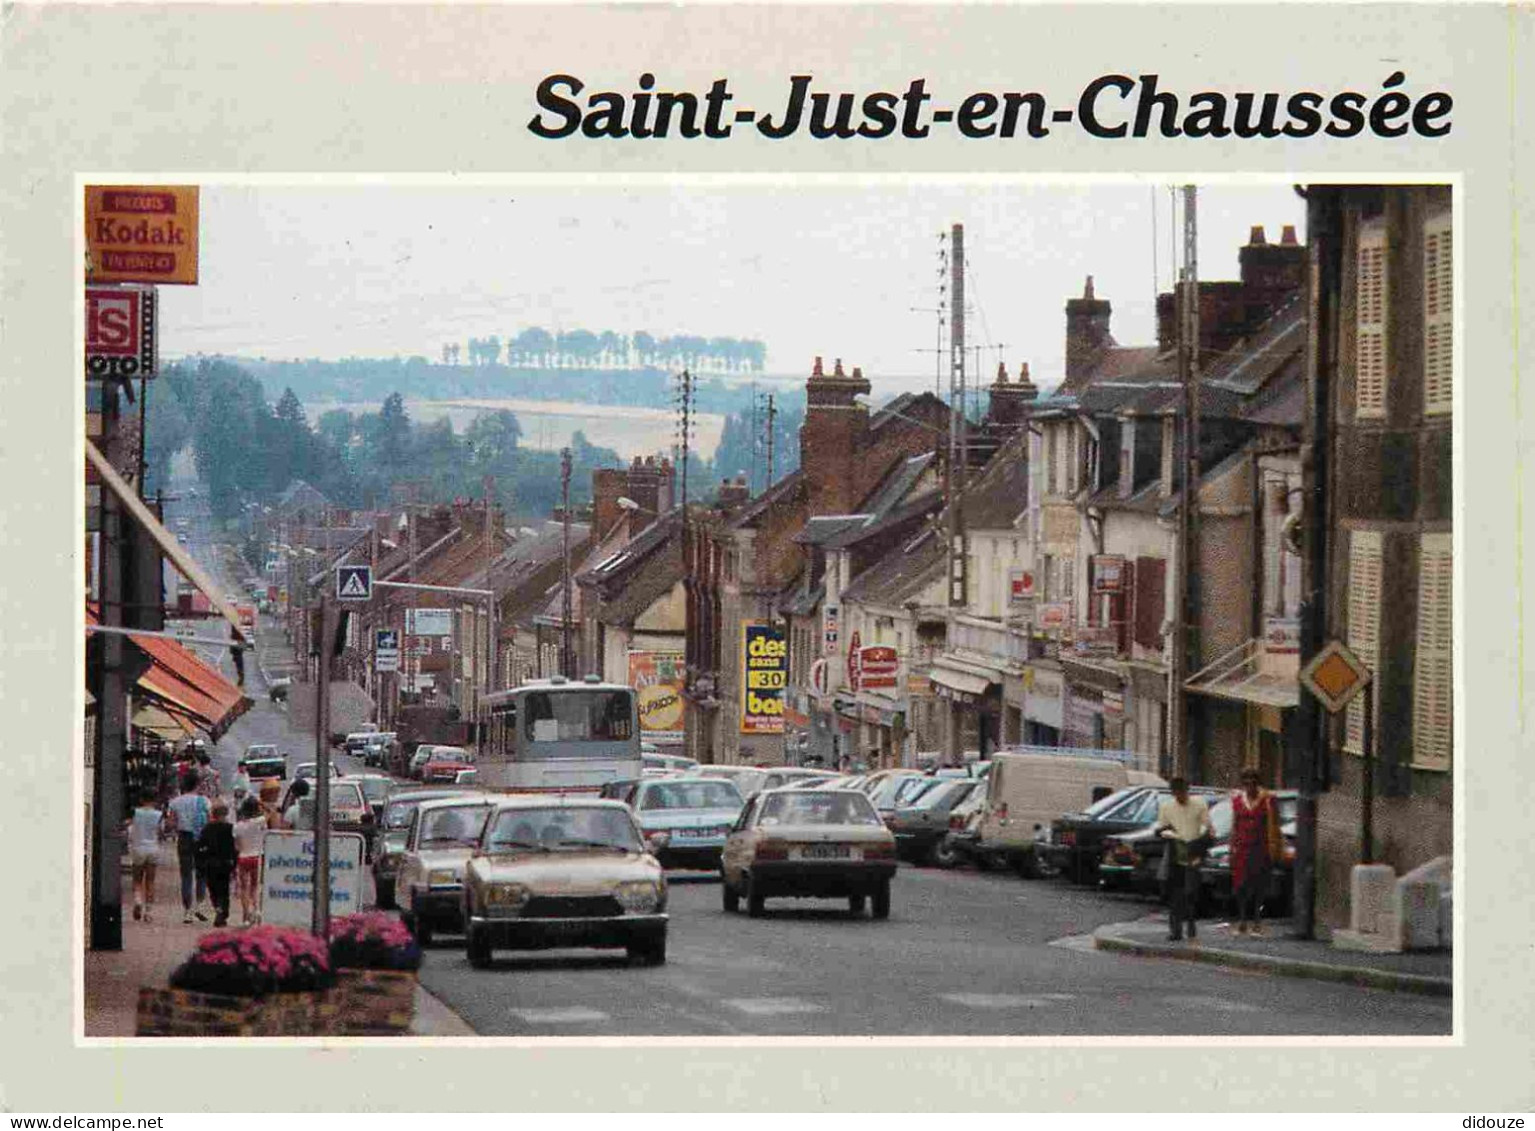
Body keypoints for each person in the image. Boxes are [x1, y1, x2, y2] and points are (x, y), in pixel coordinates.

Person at [1154, 777, 1215, 942]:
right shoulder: (1167, 807)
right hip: (1176, 852)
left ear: (1187, 790)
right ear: (1173, 792)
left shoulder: (1199, 804)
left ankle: (1191, 928)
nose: (1180, 795)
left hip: (1194, 852)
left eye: (1182, 791)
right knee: (1175, 894)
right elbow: (1161, 828)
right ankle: (1176, 931)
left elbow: (1207, 828)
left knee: (1190, 893)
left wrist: (1201, 841)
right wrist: (1167, 833)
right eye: (1176, 792)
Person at [1229, 768, 1283, 935]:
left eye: (1253, 780)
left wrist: (1275, 847)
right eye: (1246, 781)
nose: (1250, 784)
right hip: (1242, 849)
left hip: (1261, 848)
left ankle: (1257, 921)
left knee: (1259, 887)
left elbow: (1275, 824)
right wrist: (1231, 847)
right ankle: (1243, 920)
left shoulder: (1267, 800)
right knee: (1241, 886)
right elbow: (1234, 825)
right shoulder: (1237, 801)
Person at [167, 772, 212, 923]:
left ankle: (187, 911)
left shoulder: (175, 802)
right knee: (201, 874)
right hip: (201, 838)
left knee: (186, 875)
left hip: (184, 838)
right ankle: (200, 905)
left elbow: (171, 823)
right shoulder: (204, 801)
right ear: (197, 785)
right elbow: (210, 820)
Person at [123, 791, 165, 923]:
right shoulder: (159, 815)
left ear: (141, 799)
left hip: (138, 848)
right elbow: (161, 832)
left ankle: (138, 901)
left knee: (137, 879)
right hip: (153, 848)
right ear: (155, 800)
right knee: (150, 881)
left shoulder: (135, 813)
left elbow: (128, 826)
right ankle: (148, 912)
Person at [196, 803, 238, 927]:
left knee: (213, 889)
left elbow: (200, 846)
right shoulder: (231, 828)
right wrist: (234, 863)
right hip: (225, 863)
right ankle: (222, 911)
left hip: (211, 863)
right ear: (226, 814)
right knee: (224, 890)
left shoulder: (207, 828)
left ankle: (218, 909)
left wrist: (200, 861)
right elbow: (234, 847)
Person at [233, 797, 267, 925]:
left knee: (244, 887)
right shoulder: (261, 822)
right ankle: (257, 909)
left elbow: (237, 846)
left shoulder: (238, 826)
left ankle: (246, 916)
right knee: (255, 885)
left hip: (243, 857)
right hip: (257, 856)